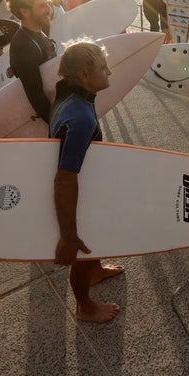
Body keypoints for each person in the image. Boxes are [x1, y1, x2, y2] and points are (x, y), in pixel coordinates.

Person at [50, 40, 124, 322]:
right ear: (83, 75)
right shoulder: (80, 117)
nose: (110, 73)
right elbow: (65, 179)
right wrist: (68, 236)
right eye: (103, 69)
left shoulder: (71, 96)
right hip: (78, 193)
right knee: (81, 246)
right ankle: (84, 306)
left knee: (94, 238)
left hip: (89, 183)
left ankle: (95, 270)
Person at [6, 0, 57, 123]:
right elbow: (36, 96)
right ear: (24, 11)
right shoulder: (25, 46)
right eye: (42, 6)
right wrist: (58, 124)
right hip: (47, 119)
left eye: (48, 4)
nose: (49, 10)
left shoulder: (39, 31)